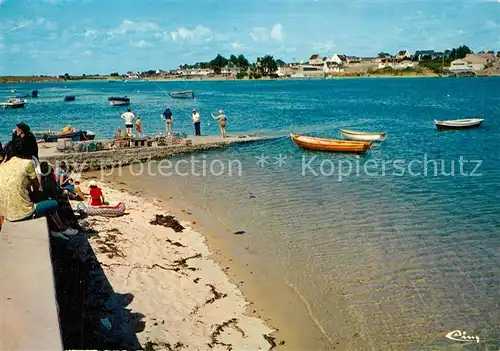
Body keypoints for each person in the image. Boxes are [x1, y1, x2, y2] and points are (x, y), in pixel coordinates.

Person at [0, 156, 78, 239]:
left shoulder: (3, 167)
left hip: (6, 213)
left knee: (42, 199)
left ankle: (53, 229)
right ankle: (61, 228)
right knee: (53, 204)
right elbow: (37, 187)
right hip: (22, 214)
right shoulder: (27, 163)